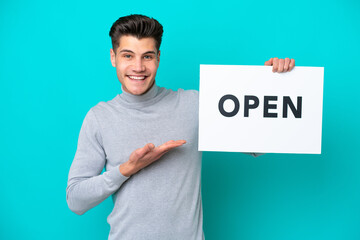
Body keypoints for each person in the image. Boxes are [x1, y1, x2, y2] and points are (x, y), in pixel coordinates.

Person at [66, 14, 295, 240]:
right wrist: (127, 169)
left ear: (158, 57)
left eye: (147, 56)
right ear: (113, 57)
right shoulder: (99, 117)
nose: (138, 67)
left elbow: (258, 145)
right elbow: (76, 199)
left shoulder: (194, 104)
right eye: (128, 55)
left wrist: (275, 85)